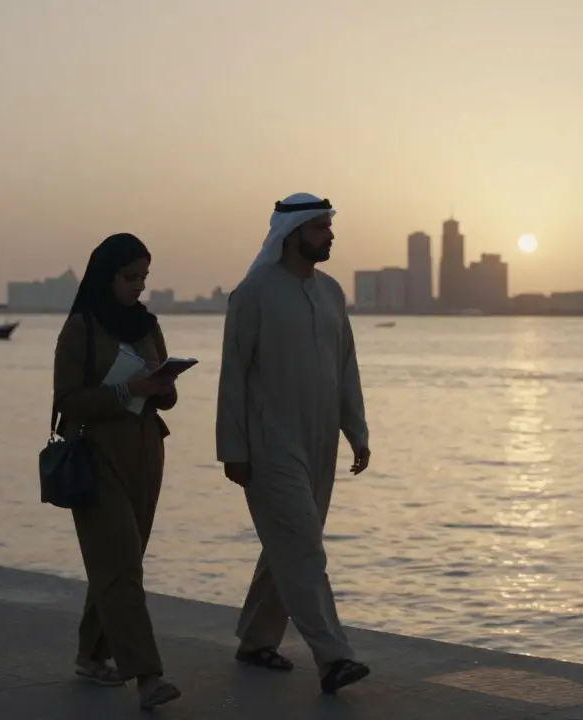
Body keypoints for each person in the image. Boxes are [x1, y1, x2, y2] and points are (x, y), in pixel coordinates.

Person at [216, 193, 372, 694]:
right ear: (294, 232)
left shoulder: (330, 293)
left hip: (321, 441)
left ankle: (257, 640)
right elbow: (233, 375)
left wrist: (357, 431)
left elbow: (345, 367)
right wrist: (232, 449)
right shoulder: (254, 293)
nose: (330, 236)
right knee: (303, 546)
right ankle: (334, 656)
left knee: (288, 546)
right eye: (321, 228)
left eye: (329, 226)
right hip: (269, 444)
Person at [53, 233, 182, 709]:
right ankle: (147, 677)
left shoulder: (147, 325)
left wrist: (161, 386)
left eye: (144, 277)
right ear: (106, 275)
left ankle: (91, 655)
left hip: (146, 454)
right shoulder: (80, 330)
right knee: (121, 563)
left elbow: (165, 393)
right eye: (130, 277)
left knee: (120, 563)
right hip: (95, 456)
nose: (138, 287)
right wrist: (127, 390)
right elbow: (66, 400)